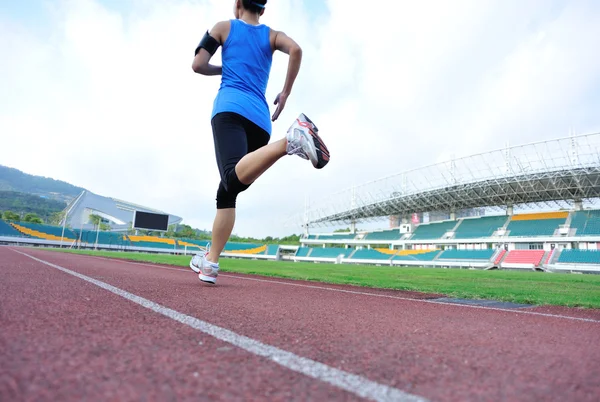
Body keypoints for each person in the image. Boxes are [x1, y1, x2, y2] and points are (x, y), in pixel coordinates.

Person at [189, 0, 330, 284]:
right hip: (260, 120)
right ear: (262, 10)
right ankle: (210, 262)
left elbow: (197, 64)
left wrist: (224, 67)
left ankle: (290, 140)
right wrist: (286, 93)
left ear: (238, 3)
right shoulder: (272, 35)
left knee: (231, 176)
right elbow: (297, 50)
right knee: (227, 192)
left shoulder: (222, 28)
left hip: (230, 108)